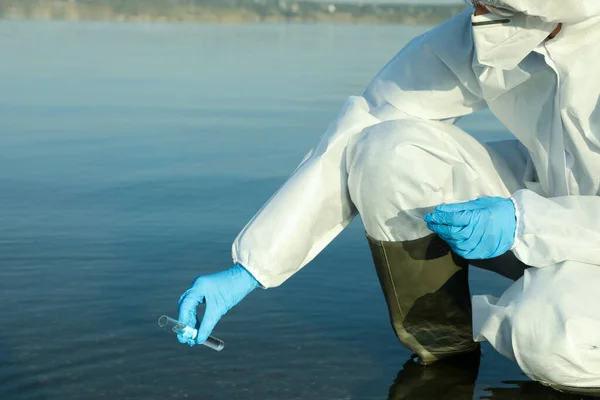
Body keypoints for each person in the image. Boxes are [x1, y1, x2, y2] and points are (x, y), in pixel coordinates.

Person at [177, 0, 600, 393]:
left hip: (558, 228)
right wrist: (251, 267)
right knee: (386, 151)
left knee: (548, 335)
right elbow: (366, 124)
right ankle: (443, 348)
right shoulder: (493, 31)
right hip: (541, 202)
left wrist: (527, 223)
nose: (478, 10)